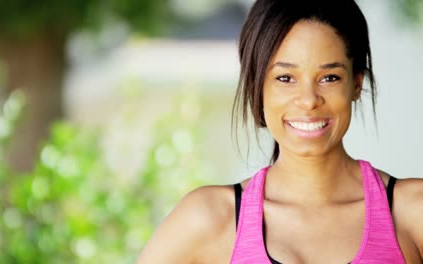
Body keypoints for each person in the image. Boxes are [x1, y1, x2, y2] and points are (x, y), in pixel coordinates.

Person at [137, 0, 423, 263]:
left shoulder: (413, 211)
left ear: (356, 84)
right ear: (258, 85)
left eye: (329, 77)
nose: (309, 100)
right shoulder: (209, 218)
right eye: (285, 78)